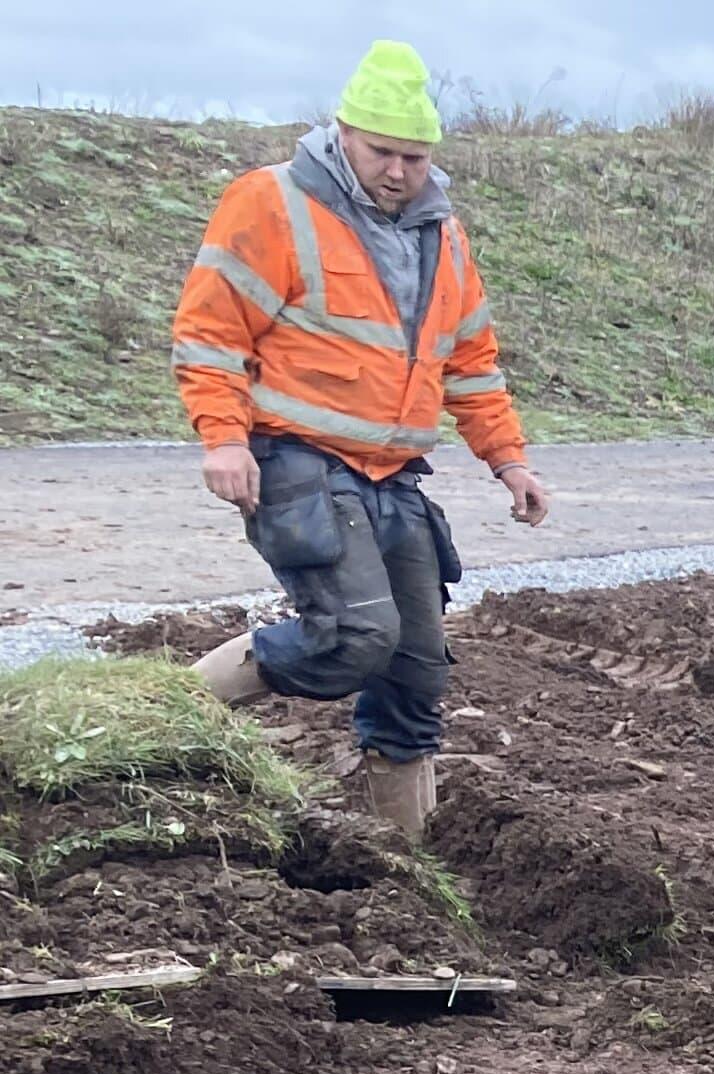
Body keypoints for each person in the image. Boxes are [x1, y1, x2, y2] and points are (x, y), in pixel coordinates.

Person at [170, 41, 551, 839]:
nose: (398, 171)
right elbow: (210, 333)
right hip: (298, 460)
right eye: (383, 151)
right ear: (343, 132)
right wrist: (224, 438)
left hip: (395, 476)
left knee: (416, 671)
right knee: (355, 639)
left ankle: (408, 864)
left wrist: (508, 459)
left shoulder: (441, 235)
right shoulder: (271, 202)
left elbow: (471, 361)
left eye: (415, 157)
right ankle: (169, 705)